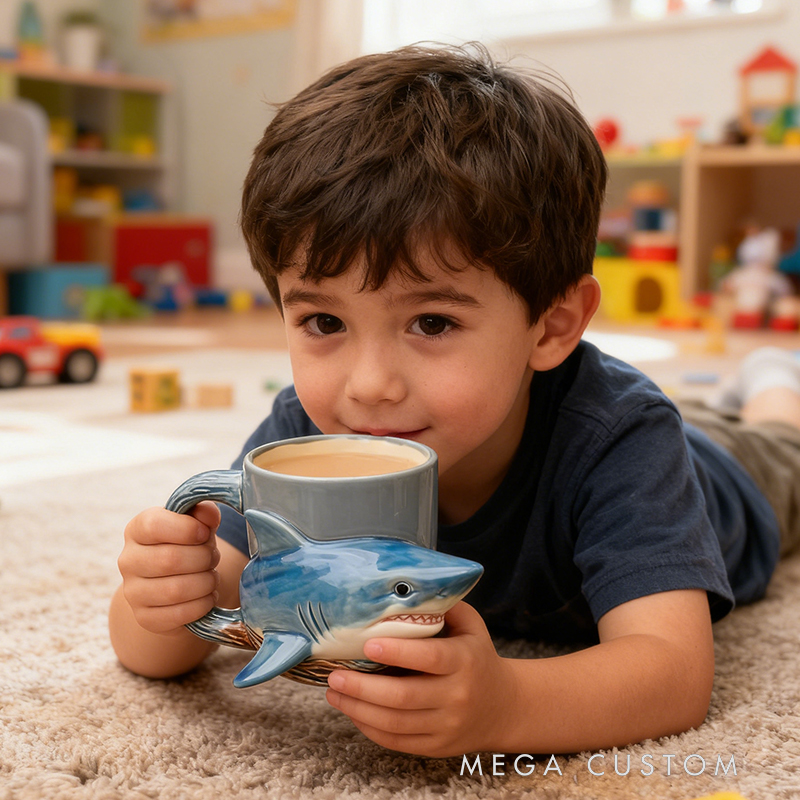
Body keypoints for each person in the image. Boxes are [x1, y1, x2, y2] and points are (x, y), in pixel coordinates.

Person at [109, 44, 800, 758]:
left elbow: (672, 675)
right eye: (324, 322)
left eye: (432, 322)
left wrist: (508, 709)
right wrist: (161, 597)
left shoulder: (621, 439)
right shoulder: (306, 437)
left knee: (780, 442)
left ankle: (775, 382)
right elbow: (158, 647)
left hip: (729, 476)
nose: (368, 385)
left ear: (553, 325)